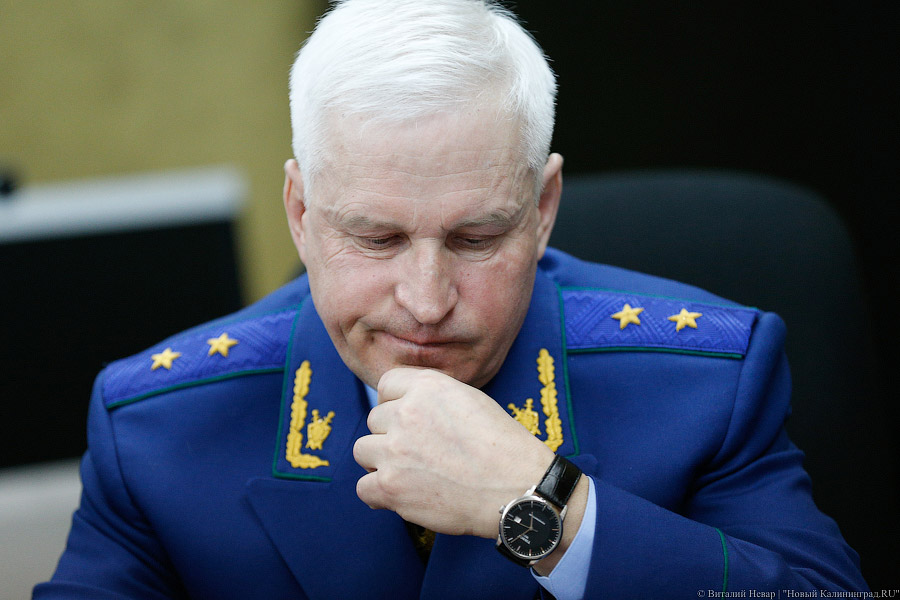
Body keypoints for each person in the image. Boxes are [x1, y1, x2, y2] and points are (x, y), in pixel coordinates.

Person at [36, 1, 867, 598]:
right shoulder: (156, 427)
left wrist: (546, 507)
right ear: (300, 212)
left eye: (475, 239)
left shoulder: (708, 381)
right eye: (376, 238)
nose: (426, 302)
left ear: (541, 210)